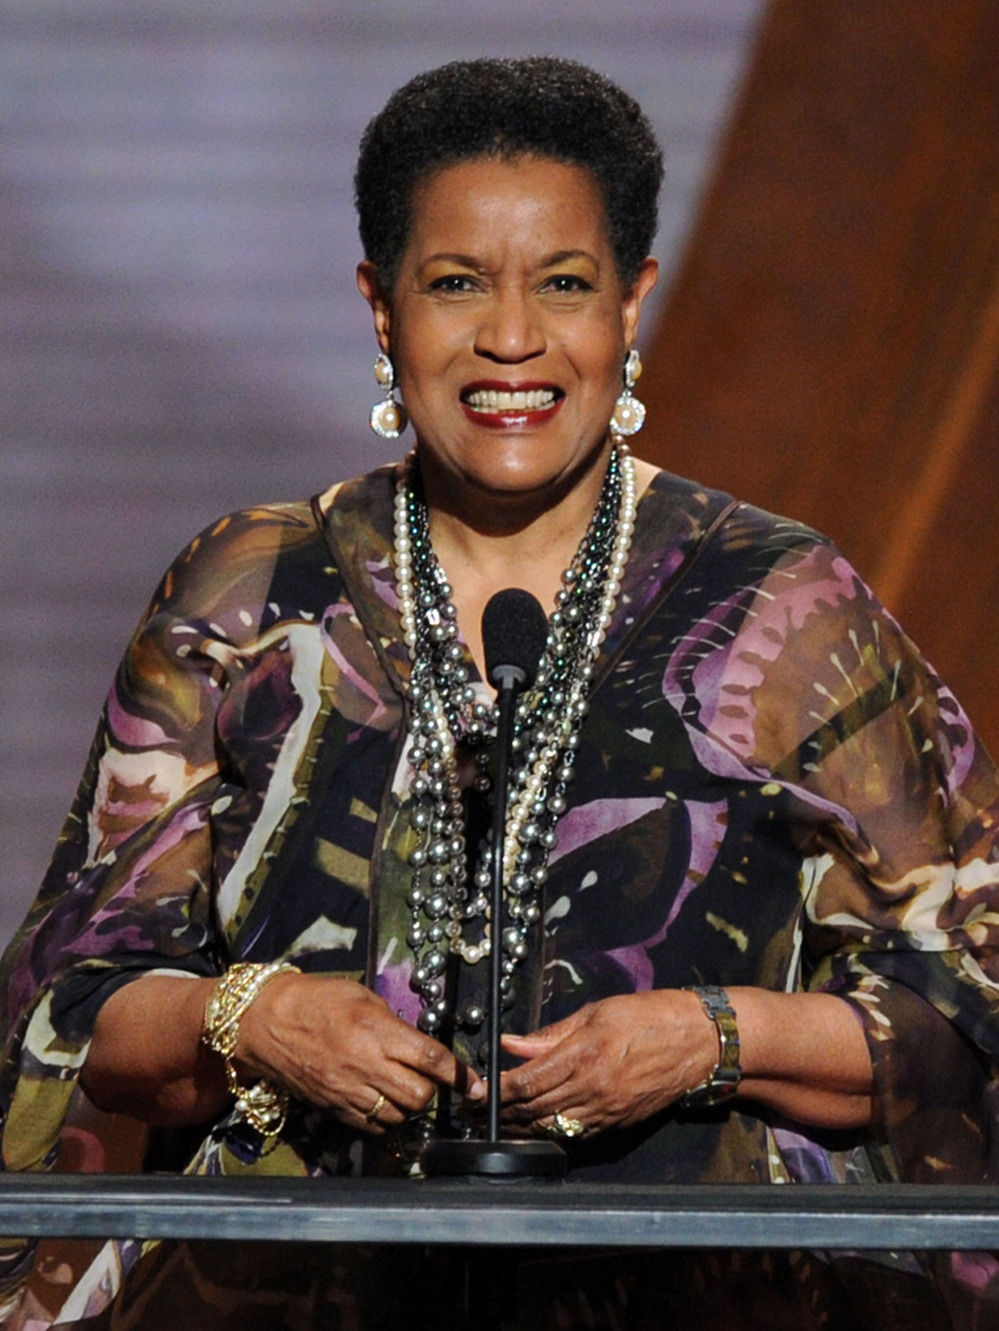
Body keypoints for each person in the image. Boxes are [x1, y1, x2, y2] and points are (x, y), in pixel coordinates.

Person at [1, 54, 998, 1330]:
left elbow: (964, 1012)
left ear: (634, 302)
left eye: (566, 285)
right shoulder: (249, 591)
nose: (512, 339)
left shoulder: (782, 604)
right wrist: (255, 1015)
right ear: (380, 306)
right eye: (456, 283)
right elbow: (74, 1010)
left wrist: (712, 1034)